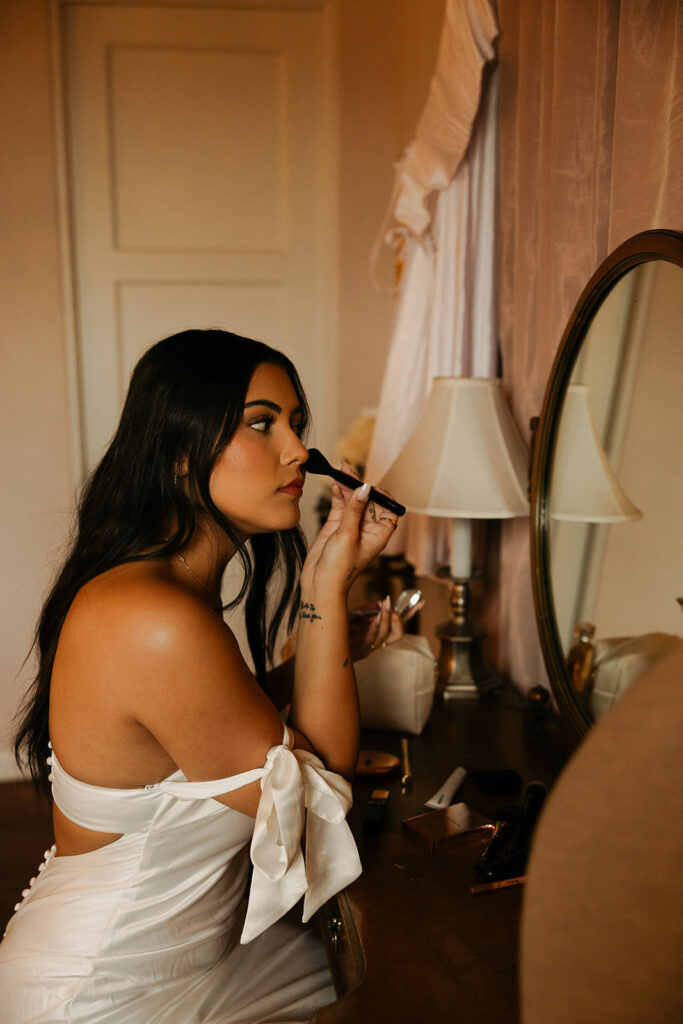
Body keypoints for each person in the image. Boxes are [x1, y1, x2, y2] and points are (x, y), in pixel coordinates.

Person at [0, 329, 402, 1023]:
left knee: (374, 969)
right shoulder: (154, 618)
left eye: (297, 425)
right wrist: (326, 589)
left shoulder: (158, 587)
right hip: (102, 995)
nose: (299, 453)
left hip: (193, 961)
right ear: (182, 451)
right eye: (260, 423)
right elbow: (318, 796)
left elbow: (232, 731)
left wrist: (328, 635)